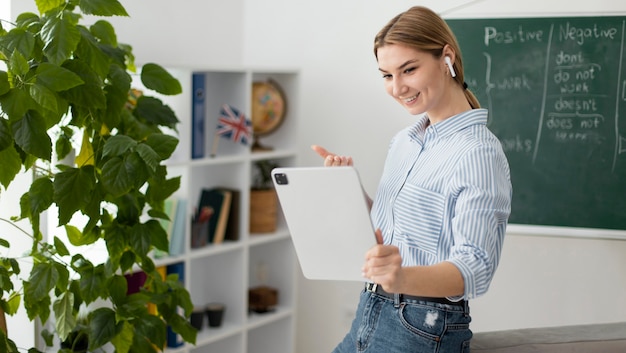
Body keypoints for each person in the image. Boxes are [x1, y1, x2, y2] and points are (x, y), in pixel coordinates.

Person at [312, 5, 513, 352]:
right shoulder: (405, 141)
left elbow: (475, 268)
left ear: (446, 58)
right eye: (387, 75)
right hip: (370, 309)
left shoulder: (477, 152)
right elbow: (397, 228)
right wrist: (351, 189)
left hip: (423, 324)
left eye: (409, 69)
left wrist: (402, 277)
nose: (397, 87)